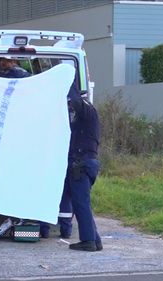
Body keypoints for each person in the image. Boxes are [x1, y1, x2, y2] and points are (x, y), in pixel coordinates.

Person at [65, 83, 102, 251]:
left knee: (81, 204)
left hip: (82, 163)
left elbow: (75, 101)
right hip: (86, 163)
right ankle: (95, 240)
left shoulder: (86, 109)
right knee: (83, 203)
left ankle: (88, 241)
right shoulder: (84, 116)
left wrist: (66, 81)